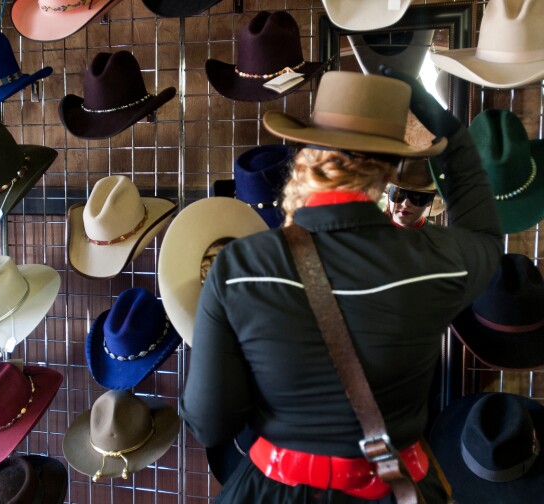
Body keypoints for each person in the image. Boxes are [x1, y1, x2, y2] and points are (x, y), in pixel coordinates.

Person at [179, 68, 502, 503]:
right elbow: (484, 235)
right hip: (394, 489)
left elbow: (210, 422)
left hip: (273, 490)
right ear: (390, 169)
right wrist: (451, 136)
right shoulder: (434, 263)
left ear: (309, 148)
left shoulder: (241, 266)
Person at [384, 157, 442, 228]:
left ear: (429, 201)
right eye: (399, 193)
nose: (405, 204)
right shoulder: (371, 234)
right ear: (388, 195)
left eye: (416, 196)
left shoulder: (438, 237)